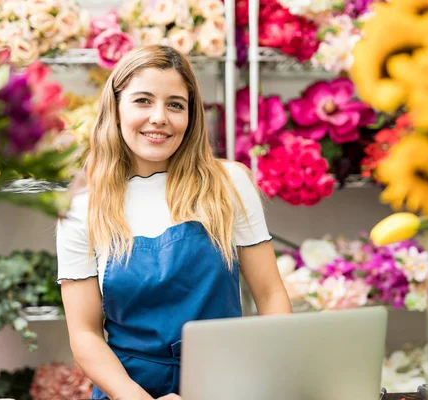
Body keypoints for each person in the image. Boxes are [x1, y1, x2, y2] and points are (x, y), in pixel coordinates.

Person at [56, 45, 292, 400]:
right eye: (143, 101)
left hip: (225, 383)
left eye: (175, 104)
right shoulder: (83, 206)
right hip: (128, 387)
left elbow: (271, 295)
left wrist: (265, 377)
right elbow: (85, 334)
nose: (159, 117)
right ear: (116, 108)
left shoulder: (229, 184)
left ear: (191, 115)